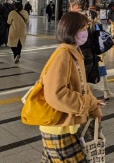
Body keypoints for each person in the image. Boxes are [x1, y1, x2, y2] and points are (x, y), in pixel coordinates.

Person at [39, 11, 103, 162]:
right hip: (59, 128)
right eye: (82, 28)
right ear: (70, 30)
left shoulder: (75, 52)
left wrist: (94, 108)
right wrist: (88, 103)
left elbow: (81, 85)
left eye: (86, 28)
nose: (85, 32)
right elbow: (56, 94)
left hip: (68, 125)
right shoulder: (63, 55)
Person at [88, 5, 114, 100]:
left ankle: (106, 92)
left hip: (95, 53)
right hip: (97, 54)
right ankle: (103, 92)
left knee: (101, 73)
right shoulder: (94, 26)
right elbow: (99, 39)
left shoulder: (91, 25)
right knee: (97, 73)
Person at [69, 0, 100, 84]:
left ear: (76, 6)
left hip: (77, 53)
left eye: (71, 5)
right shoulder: (94, 14)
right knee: (84, 82)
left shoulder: (72, 18)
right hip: (90, 53)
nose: (70, 8)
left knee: (76, 84)